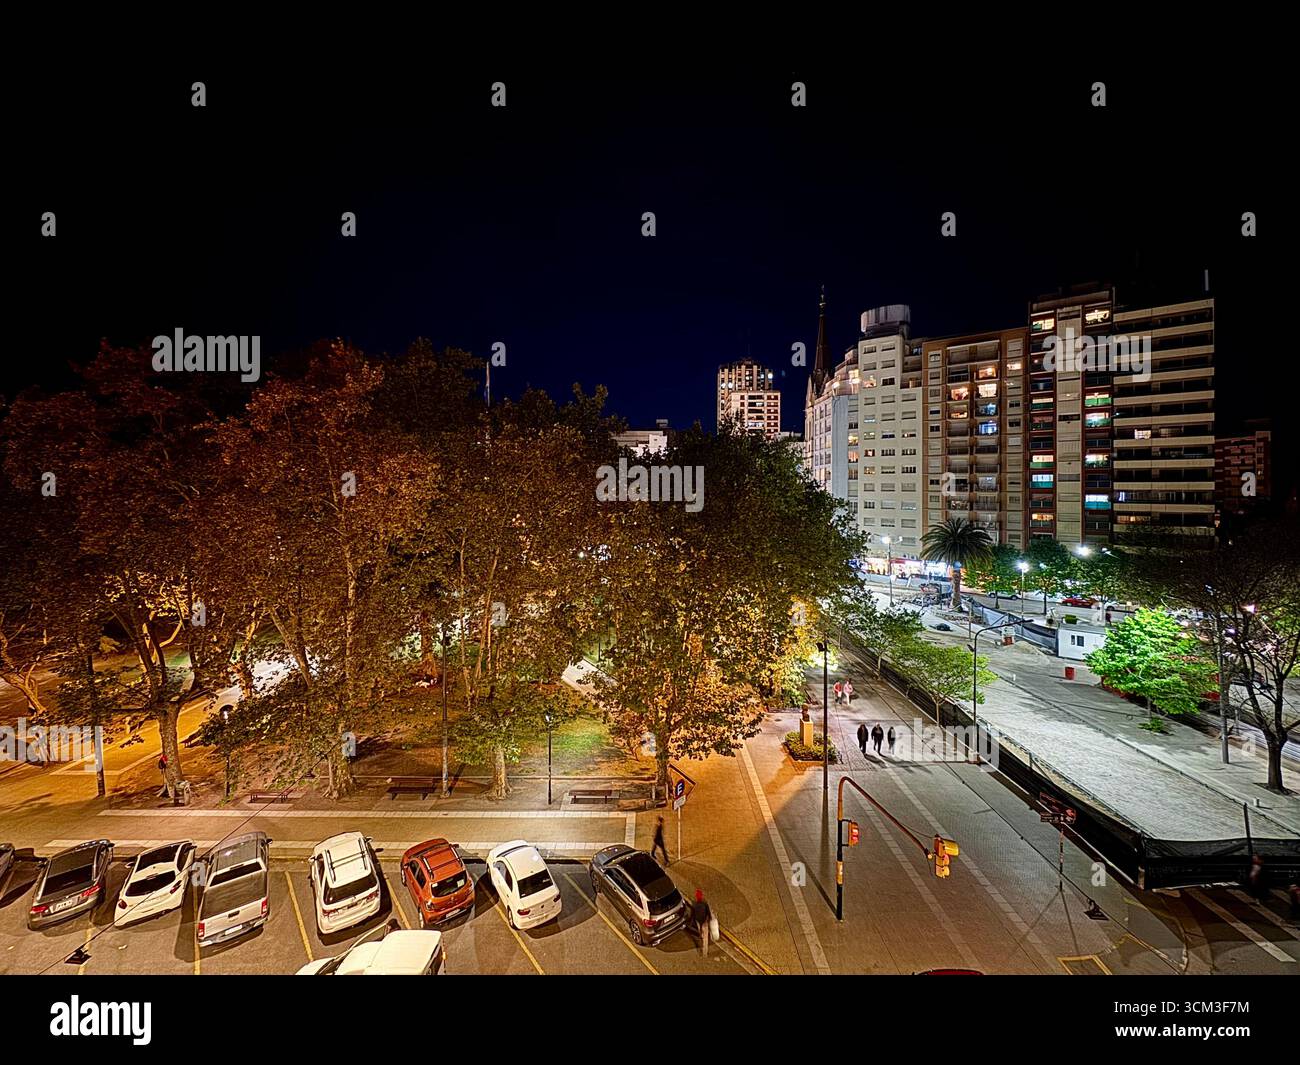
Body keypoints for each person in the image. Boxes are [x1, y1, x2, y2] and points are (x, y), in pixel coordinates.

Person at [691, 888, 713, 957]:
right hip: (705, 923)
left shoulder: (694, 905)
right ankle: (705, 953)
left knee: (700, 936)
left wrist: (693, 923)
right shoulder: (705, 904)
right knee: (705, 939)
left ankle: (700, 939)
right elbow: (709, 914)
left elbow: (693, 915)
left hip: (698, 923)